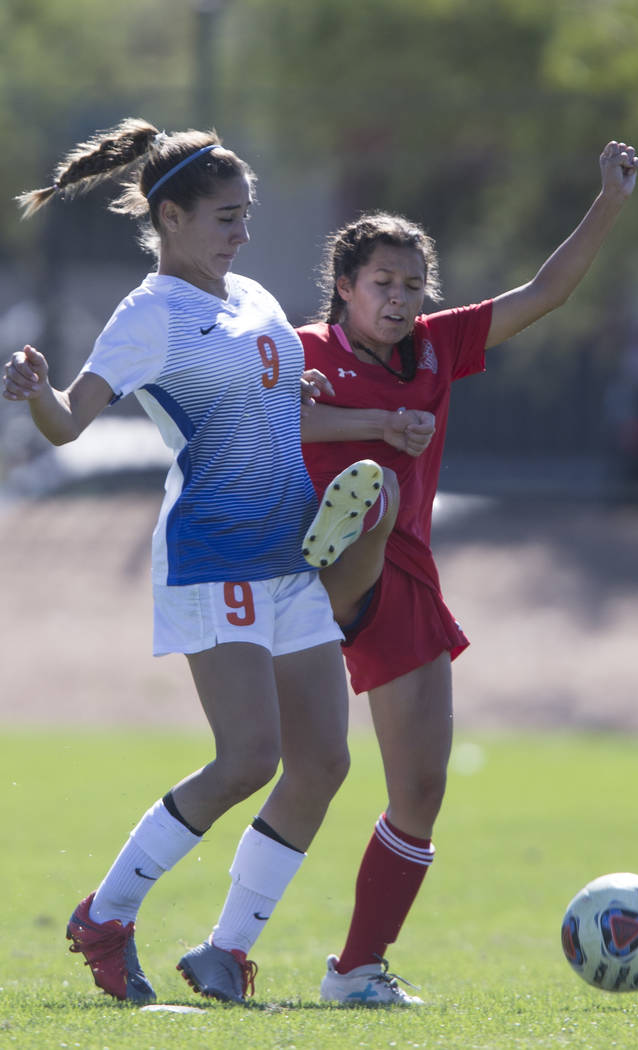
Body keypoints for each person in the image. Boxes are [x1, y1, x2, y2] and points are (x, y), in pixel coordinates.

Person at [2, 118, 425, 1006]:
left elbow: (278, 409)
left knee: (322, 761)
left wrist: (344, 410)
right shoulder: (148, 314)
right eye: (226, 217)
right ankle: (107, 915)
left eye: (247, 213)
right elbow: (71, 421)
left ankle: (228, 951)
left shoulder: (259, 302)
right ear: (172, 217)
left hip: (288, 553)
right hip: (212, 554)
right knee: (248, 759)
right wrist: (39, 394)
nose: (242, 231)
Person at [298, 140, 638, 1004]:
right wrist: (374, 419)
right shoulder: (298, 352)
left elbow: (546, 294)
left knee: (420, 788)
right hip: (292, 568)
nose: (403, 298)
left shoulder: (439, 348)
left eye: (415, 285)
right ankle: (347, 539)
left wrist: (607, 201)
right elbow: (270, 425)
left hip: (405, 579)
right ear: (344, 285)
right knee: (362, 506)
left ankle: (357, 971)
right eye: (384, 282)